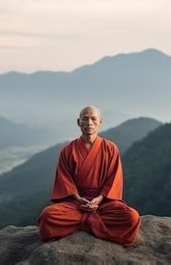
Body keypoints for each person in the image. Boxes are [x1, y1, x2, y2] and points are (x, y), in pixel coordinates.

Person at [37, 105, 140, 247]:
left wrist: (98, 200)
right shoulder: (67, 151)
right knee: (47, 216)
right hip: (76, 203)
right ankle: (94, 223)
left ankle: (81, 224)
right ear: (78, 122)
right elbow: (65, 181)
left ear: (100, 122)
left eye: (93, 119)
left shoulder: (110, 149)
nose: (89, 123)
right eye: (85, 119)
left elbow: (113, 180)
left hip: (104, 202)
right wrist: (79, 200)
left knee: (132, 217)